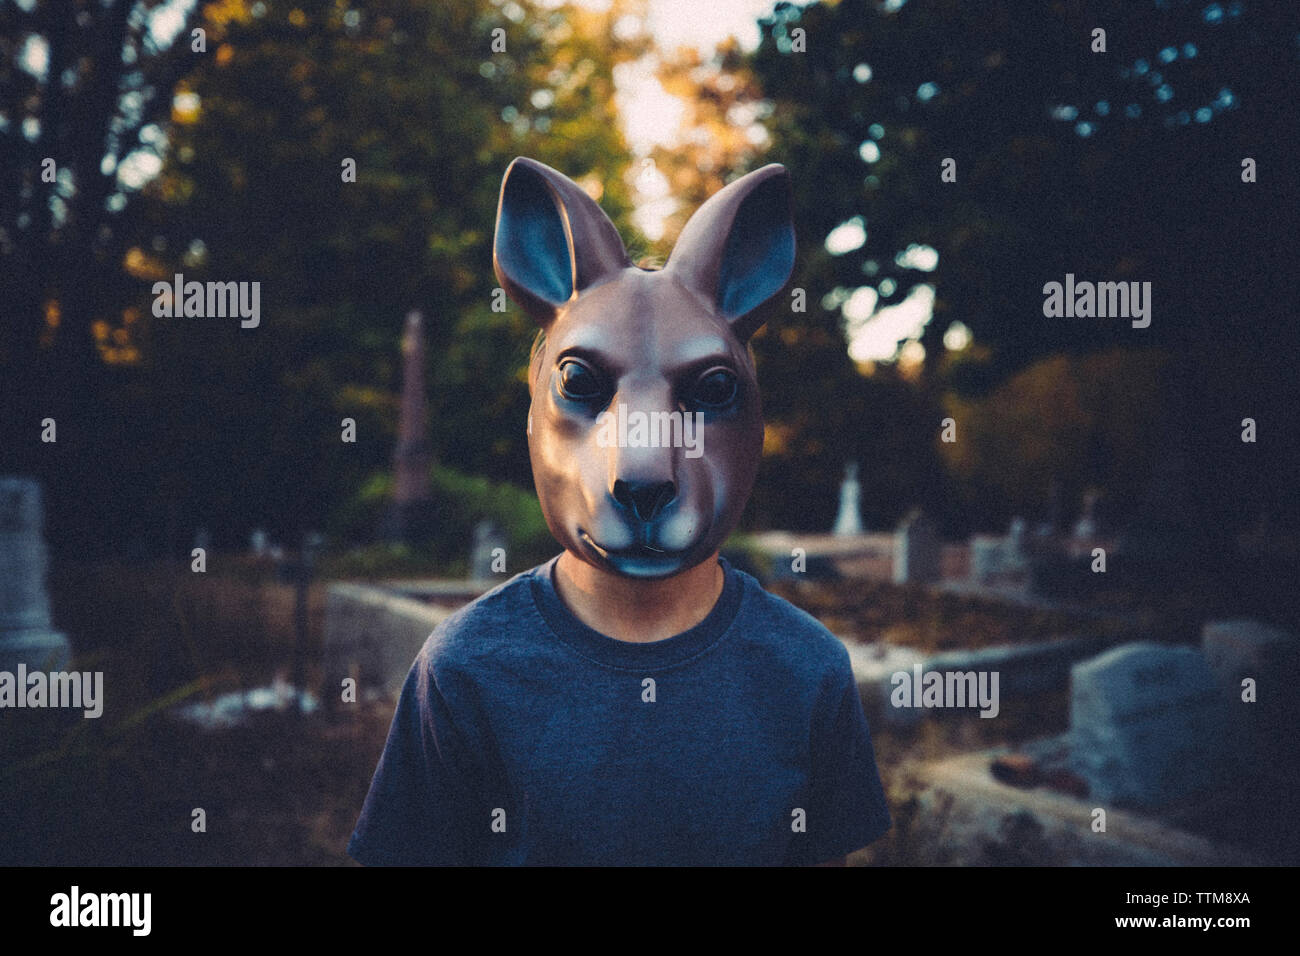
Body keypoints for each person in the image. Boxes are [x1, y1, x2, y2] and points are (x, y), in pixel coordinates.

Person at [347, 158, 890, 865]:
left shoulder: (808, 672)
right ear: (536, 414)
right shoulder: (465, 672)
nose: (645, 464)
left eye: (709, 391)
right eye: (582, 383)